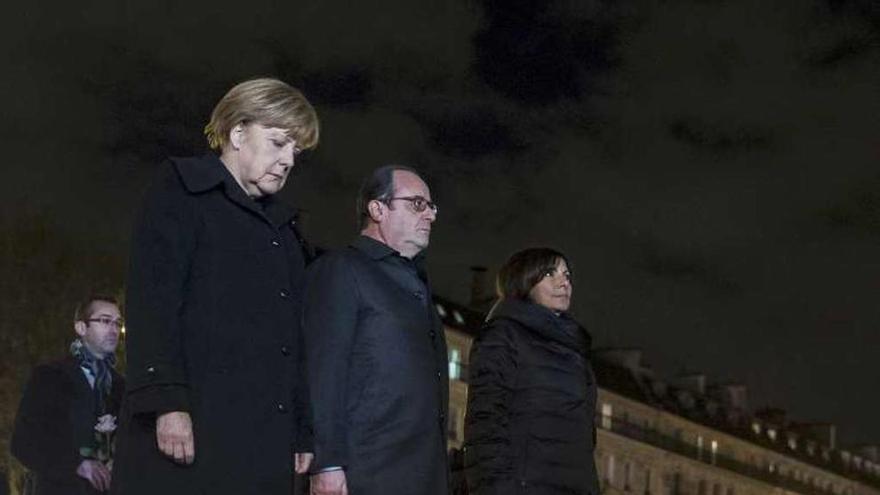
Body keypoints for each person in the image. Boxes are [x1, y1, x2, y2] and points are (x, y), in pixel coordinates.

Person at [111, 78, 319, 495]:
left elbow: (292, 339)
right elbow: (153, 299)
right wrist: (167, 402)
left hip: (262, 441)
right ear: (238, 132)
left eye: (296, 151)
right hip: (193, 428)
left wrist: (301, 429)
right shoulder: (182, 188)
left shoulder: (286, 229)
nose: (288, 160)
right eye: (279, 142)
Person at [303, 166, 449, 495]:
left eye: (431, 206)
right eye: (417, 203)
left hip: (423, 475)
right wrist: (326, 463)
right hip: (365, 474)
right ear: (378, 209)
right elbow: (322, 371)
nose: (430, 215)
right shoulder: (340, 269)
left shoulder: (418, 287)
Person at [463, 248, 600, 495]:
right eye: (550, 273)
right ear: (523, 281)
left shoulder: (577, 352)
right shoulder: (503, 335)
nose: (564, 282)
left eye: (567, 274)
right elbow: (485, 423)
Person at [11, 295, 125, 495]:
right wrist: (77, 464)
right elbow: (23, 442)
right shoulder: (50, 377)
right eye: (105, 321)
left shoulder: (121, 386)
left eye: (118, 323)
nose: (114, 329)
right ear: (81, 328)